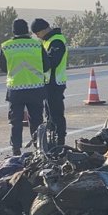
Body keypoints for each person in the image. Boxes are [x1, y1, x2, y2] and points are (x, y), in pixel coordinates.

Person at [0, 19, 48, 155]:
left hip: (16, 89)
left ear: (13, 31)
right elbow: (46, 65)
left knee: (16, 121)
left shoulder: (6, 46)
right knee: (37, 119)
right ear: (27, 30)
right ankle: (39, 147)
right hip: (35, 88)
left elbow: (3, 67)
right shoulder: (37, 45)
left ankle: (16, 149)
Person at [30, 18, 68, 147]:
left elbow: (52, 61)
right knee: (50, 115)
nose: (37, 36)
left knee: (56, 114)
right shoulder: (48, 41)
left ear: (44, 30)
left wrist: (37, 63)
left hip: (55, 83)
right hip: (48, 83)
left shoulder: (56, 41)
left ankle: (60, 142)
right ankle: (52, 142)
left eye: (37, 33)